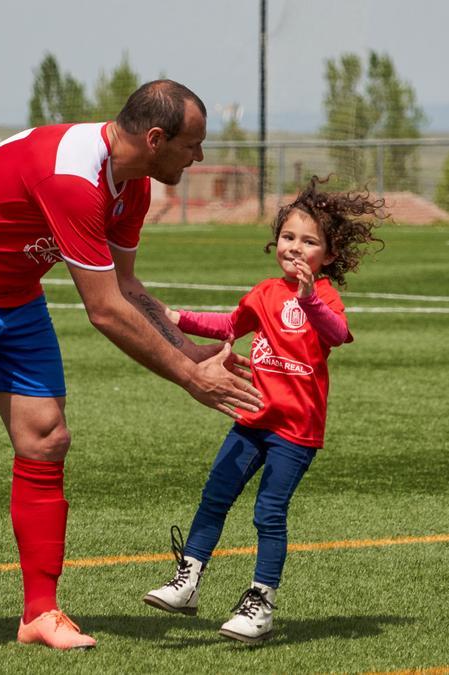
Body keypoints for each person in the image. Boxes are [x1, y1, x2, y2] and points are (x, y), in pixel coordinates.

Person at [0, 79, 262, 655]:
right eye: (194, 145)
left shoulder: (132, 185)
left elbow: (127, 287)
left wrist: (190, 350)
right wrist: (190, 378)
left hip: (14, 297)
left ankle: (40, 612)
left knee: (47, 437)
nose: (201, 157)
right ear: (156, 138)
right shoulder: (71, 177)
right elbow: (105, 310)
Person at [142, 178, 383, 644]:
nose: (296, 248)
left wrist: (310, 299)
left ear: (328, 256)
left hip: (295, 431)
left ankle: (261, 604)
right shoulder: (266, 292)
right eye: (289, 237)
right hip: (253, 417)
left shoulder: (324, 297)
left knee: (268, 513)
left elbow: (335, 333)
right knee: (215, 495)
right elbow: (230, 325)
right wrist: (177, 317)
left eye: (310, 242)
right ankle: (187, 581)